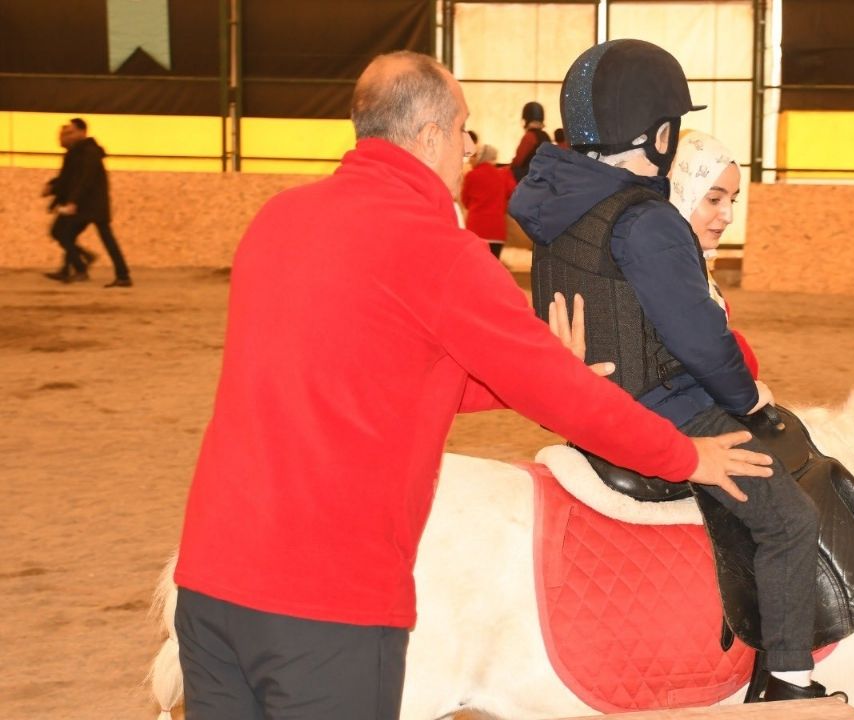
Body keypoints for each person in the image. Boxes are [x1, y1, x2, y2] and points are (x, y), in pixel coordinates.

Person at [172, 50, 773, 720]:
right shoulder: (441, 252)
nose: (468, 148)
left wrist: (534, 371)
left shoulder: (277, 220)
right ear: (429, 135)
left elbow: (381, 374)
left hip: (209, 582)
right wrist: (687, 455)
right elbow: (566, 402)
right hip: (327, 609)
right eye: (463, 131)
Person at [509, 39, 841, 703]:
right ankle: (787, 681)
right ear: (661, 136)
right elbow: (700, 338)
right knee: (790, 520)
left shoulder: (554, 207)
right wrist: (747, 402)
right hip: (668, 407)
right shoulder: (648, 221)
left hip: (591, 403)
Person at [669, 130, 757, 378]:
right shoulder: (664, 274)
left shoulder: (693, 267)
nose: (728, 216)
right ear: (680, 192)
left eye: (733, 200)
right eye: (714, 199)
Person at [42, 118, 132, 287]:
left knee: (66, 234)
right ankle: (117, 273)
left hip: (91, 205)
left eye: (72, 132)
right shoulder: (78, 153)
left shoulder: (89, 152)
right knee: (69, 234)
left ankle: (100, 270)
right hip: (88, 204)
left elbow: (84, 179)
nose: (68, 136)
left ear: (83, 132)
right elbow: (69, 179)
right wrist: (54, 189)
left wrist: (73, 201)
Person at [460, 144, 515, 258]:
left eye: (474, 156)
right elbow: (513, 193)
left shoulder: (472, 175)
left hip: (476, 229)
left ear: (480, 157)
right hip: (497, 231)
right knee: (493, 268)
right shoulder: (504, 175)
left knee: (475, 268)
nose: (471, 160)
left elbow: (465, 201)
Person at [510, 100, 550, 181]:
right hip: (545, 177)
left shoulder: (529, 136)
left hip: (529, 178)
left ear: (526, 119)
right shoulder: (546, 136)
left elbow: (518, 161)